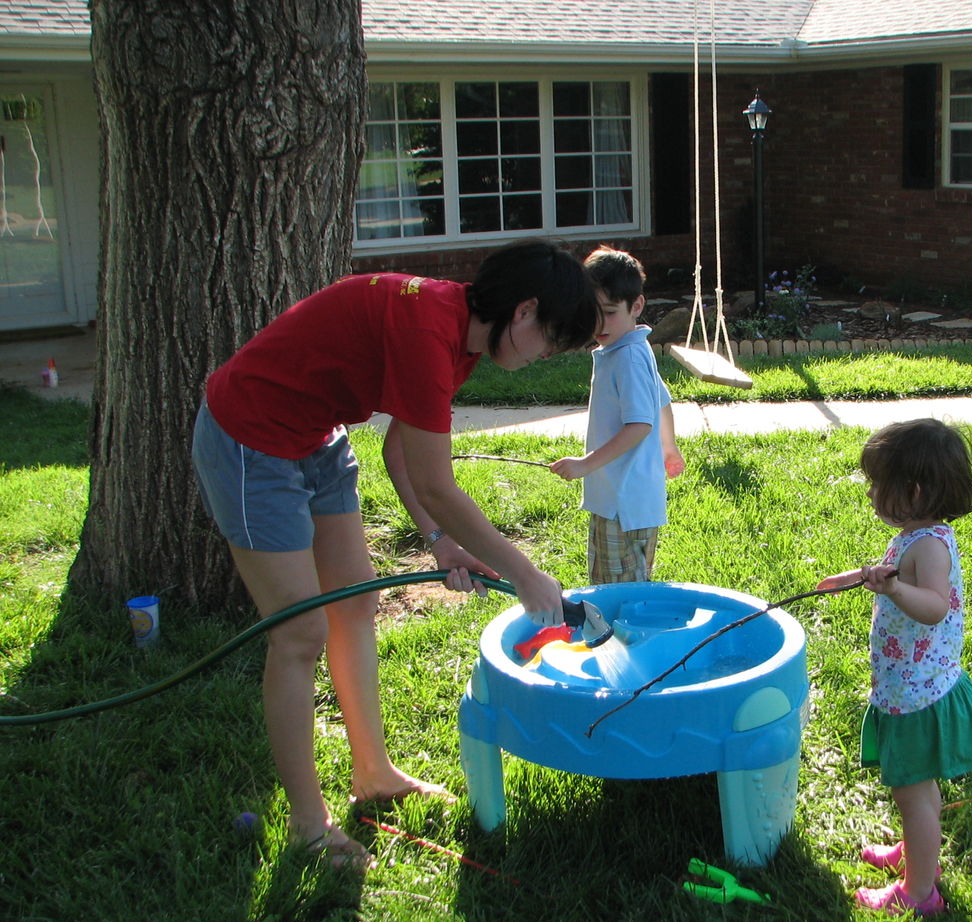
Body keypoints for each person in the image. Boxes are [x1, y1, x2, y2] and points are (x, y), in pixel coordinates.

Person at [192, 240, 599, 868]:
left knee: (357, 600)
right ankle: (308, 825)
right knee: (299, 632)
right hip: (252, 437)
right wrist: (524, 573)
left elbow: (400, 452)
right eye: (549, 338)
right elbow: (437, 481)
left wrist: (440, 542)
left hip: (317, 436)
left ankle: (373, 772)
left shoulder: (461, 336)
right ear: (524, 311)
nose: (546, 353)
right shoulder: (427, 331)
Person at [818, 418, 972, 916]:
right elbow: (897, 571)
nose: (872, 493)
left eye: (879, 485)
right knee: (918, 791)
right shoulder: (918, 534)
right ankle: (921, 853)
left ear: (913, 491)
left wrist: (894, 589)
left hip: (917, 696)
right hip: (913, 685)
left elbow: (935, 605)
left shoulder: (930, 546)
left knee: (912, 793)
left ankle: (919, 893)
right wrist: (856, 576)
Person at [549, 245, 684, 584]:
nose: (598, 323)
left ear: (636, 305)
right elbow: (662, 401)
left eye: (609, 312)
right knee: (622, 584)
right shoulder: (629, 349)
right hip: (621, 500)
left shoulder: (627, 358)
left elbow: (640, 424)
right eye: (591, 311)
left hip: (623, 504)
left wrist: (585, 464)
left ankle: (626, 638)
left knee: (619, 594)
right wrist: (669, 447)